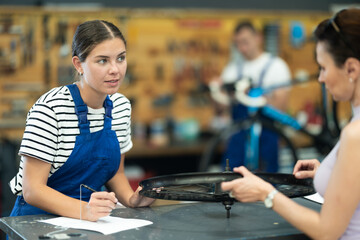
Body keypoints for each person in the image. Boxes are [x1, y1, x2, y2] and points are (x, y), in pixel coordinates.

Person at [221, 8, 360, 239]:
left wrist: (267, 193)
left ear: (351, 69)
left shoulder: (355, 134)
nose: (320, 78)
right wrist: (328, 172)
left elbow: (326, 231)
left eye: (323, 68)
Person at [8, 20, 155, 221]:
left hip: (91, 221)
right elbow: (32, 190)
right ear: (79, 64)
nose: (115, 69)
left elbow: (115, 172)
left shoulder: (121, 106)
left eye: (120, 58)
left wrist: (132, 199)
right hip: (35, 221)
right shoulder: (50, 109)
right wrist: (84, 210)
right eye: (102, 60)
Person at [214, 21, 291, 172]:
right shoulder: (232, 69)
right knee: (232, 184)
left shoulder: (276, 67)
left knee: (268, 184)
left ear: (258, 38)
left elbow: (281, 108)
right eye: (238, 44)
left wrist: (252, 95)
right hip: (238, 138)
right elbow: (220, 108)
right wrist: (216, 91)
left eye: (245, 42)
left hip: (267, 137)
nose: (242, 48)